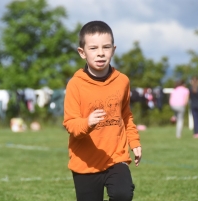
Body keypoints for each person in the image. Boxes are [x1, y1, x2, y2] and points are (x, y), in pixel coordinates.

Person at [63, 21, 141, 201]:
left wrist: (134, 142)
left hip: (116, 157)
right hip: (85, 162)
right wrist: (87, 123)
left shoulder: (122, 81)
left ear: (113, 50)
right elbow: (70, 123)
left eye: (106, 47)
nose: (100, 53)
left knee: (123, 195)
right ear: (82, 52)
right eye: (93, 48)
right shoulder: (75, 84)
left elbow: (126, 115)